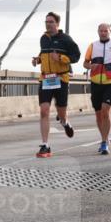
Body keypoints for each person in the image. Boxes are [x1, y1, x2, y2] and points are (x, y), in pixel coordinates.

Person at [33, 11, 79, 157]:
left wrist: (60, 57)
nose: (48, 24)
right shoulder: (43, 38)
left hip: (61, 79)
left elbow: (76, 56)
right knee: (44, 111)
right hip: (46, 79)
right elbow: (43, 54)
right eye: (46, 21)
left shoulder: (66, 39)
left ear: (57, 24)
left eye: (51, 21)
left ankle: (65, 123)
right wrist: (38, 60)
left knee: (61, 113)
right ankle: (45, 145)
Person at [83, 23, 111, 155]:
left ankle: (103, 142)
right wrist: (90, 66)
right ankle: (105, 138)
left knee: (105, 110)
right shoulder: (92, 46)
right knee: (98, 114)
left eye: (106, 31)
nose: (103, 33)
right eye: (101, 31)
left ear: (110, 32)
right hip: (96, 82)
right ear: (98, 32)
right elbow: (85, 63)